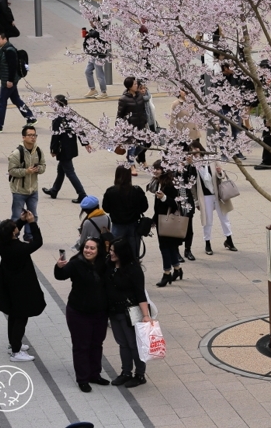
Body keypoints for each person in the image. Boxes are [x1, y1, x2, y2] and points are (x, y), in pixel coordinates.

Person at [54, 237, 109, 392]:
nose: (88, 250)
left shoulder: (103, 263)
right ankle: (83, 379)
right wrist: (58, 267)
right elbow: (61, 275)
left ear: (98, 251)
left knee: (97, 344)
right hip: (78, 312)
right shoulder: (76, 262)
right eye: (86, 247)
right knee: (81, 346)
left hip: (99, 312)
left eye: (92, 248)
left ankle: (95, 374)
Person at [0, 211, 45, 362]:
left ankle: (13, 344)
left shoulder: (1, 243)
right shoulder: (19, 248)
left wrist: (21, 221)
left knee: (13, 315)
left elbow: (10, 232)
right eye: (15, 227)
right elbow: (38, 242)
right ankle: (16, 352)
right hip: (22, 287)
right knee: (21, 318)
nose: (17, 227)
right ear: (12, 234)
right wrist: (32, 223)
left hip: (8, 285)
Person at [105, 238, 151, 388]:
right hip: (114, 311)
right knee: (122, 343)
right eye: (110, 250)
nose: (110, 253)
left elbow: (140, 294)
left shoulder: (133, 269)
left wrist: (146, 316)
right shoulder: (109, 265)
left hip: (129, 313)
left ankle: (140, 374)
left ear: (122, 253)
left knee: (133, 344)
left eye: (113, 251)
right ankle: (126, 372)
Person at [189, 142, 236, 255]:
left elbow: (222, 175)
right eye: (192, 149)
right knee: (208, 220)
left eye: (196, 148)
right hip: (204, 196)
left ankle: (229, 240)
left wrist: (220, 173)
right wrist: (196, 201)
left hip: (218, 194)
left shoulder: (211, 159)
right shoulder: (192, 164)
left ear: (200, 148)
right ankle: (207, 243)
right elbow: (192, 185)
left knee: (224, 218)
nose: (195, 151)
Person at [43, 95, 91, 202]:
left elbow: (55, 135)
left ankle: (82, 194)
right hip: (71, 147)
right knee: (61, 170)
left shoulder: (57, 118)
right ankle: (54, 190)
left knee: (70, 172)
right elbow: (79, 130)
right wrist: (85, 142)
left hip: (62, 149)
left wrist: (53, 150)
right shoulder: (71, 114)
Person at [0, 32, 36, 132]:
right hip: (7, 80)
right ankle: (31, 117)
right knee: (16, 99)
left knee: (1, 102)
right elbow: (0, 64)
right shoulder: (3, 49)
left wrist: (10, 80)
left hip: (8, 81)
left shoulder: (9, 51)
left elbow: (12, 67)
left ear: (4, 39)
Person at [152, 161, 188, 286]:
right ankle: (177, 269)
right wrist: (154, 219)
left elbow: (175, 203)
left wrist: (164, 198)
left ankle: (167, 273)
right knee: (171, 247)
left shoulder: (170, 184)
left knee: (165, 247)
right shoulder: (159, 182)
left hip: (168, 220)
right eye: (154, 169)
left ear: (164, 170)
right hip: (161, 219)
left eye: (158, 169)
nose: (155, 171)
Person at [101, 166, 149, 260]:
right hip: (133, 225)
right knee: (133, 250)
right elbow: (144, 207)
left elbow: (106, 208)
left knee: (116, 250)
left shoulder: (111, 191)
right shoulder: (136, 190)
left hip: (117, 225)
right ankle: (133, 267)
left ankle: (118, 268)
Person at [9, 125, 45, 241]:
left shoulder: (38, 151)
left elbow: (43, 166)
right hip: (19, 191)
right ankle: (13, 235)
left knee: (32, 215)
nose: (33, 138)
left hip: (33, 190)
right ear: (23, 137)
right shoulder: (17, 153)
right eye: (30, 135)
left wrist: (38, 169)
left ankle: (29, 235)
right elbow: (11, 171)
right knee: (16, 216)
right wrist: (26, 171)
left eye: (34, 135)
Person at [116, 77, 149, 173]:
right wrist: (119, 127)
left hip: (141, 125)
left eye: (136, 83)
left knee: (143, 144)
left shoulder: (139, 96)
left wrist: (144, 119)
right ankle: (131, 165)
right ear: (129, 86)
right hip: (130, 126)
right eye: (134, 84)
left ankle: (131, 157)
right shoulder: (123, 99)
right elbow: (120, 114)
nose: (137, 85)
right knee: (132, 145)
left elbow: (143, 109)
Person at [82, 19, 110, 98]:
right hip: (93, 54)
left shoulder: (100, 30)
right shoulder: (94, 30)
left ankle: (104, 92)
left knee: (99, 74)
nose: (90, 24)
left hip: (99, 55)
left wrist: (88, 34)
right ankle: (92, 89)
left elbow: (94, 34)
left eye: (91, 22)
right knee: (87, 71)